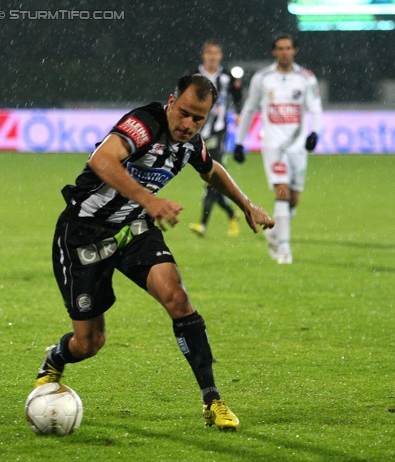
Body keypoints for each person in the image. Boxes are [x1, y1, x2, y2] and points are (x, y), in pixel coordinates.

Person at [35, 74, 274, 431]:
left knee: (177, 298)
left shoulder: (190, 141)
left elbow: (211, 169)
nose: (189, 125)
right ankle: (56, 356)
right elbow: (102, 160)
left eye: (199, 119)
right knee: (89, 343)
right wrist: (149, 199)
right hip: (84, 234)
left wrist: (246, 204)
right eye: (185, 114)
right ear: (171, 102)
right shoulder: (144, 123)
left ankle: (213, 400)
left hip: (134, 230)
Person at [233, 32, 323, 264]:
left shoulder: (306, 78)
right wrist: (240, 142)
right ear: (274, 52)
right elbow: (250, 109)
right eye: (280, 48)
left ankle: (273, 233)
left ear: (295, 51)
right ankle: (284, 249)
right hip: (273, 144)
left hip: (297, 146)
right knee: (281, 192)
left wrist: (315, 132)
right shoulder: (263, 78)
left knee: (294, 199)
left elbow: (316, 108)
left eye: (288, 48)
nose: (285, 52)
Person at [188, 39, 243, 238]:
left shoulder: (227, 76)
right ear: (204, 55)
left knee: (211, 177)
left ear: (220, 56)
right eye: (209, 53)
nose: (213, 56)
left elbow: (238, 96)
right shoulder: (194, 75)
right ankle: (232, 213)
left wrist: (238, 112)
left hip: (219, 131)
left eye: (216, 53)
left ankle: (203, 224)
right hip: (199, 132)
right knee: (214, 179)